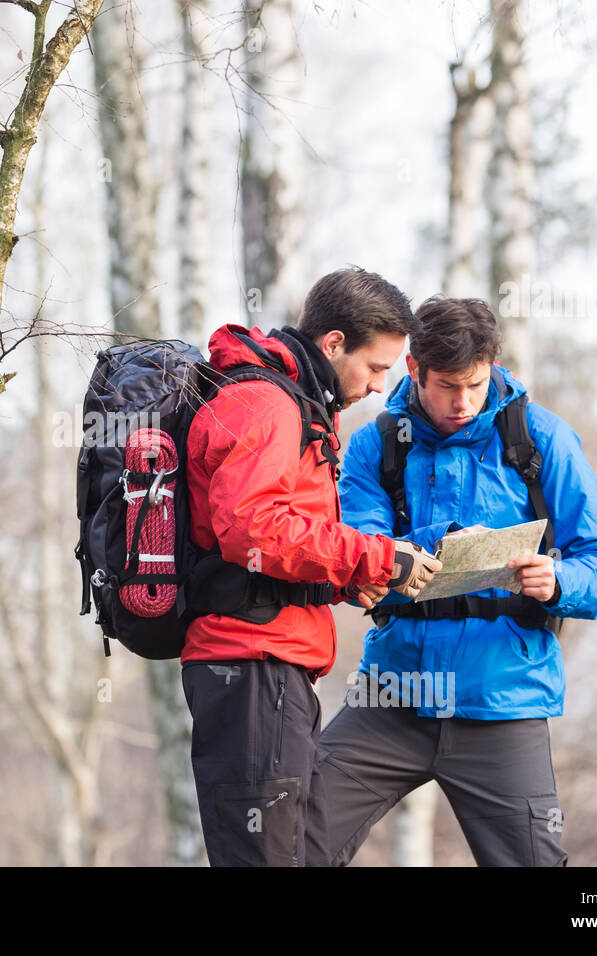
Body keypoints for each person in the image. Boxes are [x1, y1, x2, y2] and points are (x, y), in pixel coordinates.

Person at [318, 296, 597, 866]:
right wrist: (432, 545)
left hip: (504, 699)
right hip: (392, 694)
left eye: (475, 385)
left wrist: (556, 579)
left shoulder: (543, 440)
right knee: (290, 842)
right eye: (446, 386)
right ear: (413, 369)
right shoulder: (373, 446)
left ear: (494, 366)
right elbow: (362, 554)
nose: (461, 403)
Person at [180, 267, 442, 866]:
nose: (380, 387)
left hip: (277, 670)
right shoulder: (265, 404)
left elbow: (283, 542)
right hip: (248, 668)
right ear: (333, 344)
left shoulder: (293, 405)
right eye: (376, 368)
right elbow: (248, 528)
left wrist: (354, 575)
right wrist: (373, 554)